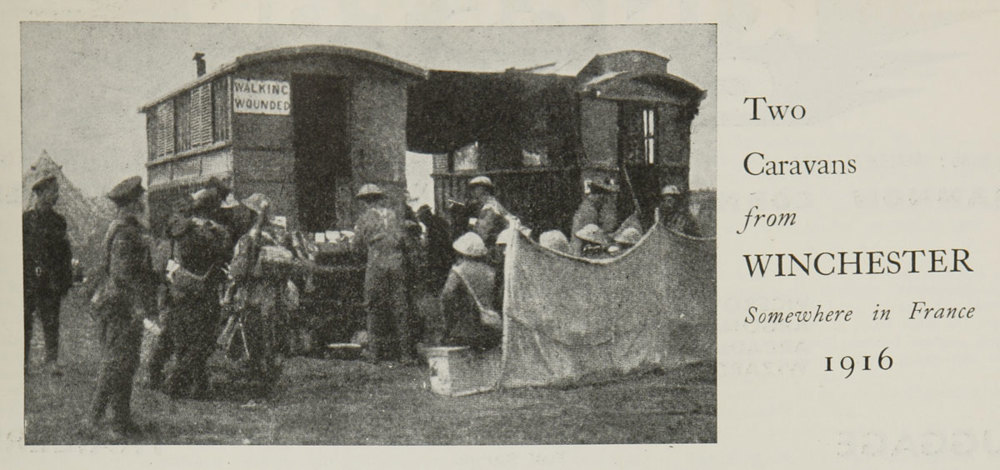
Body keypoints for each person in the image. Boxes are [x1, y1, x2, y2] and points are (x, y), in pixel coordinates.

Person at [88, 176, 159, 436]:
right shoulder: (125, 233)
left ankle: (121, 419)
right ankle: (94, 418)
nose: (143, 202)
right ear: (130, 203)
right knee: (116, 362)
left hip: (125, 304)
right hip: (121, 306)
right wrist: (137, 307)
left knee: (126, 363)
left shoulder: (130, 230)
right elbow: (122, 276)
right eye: (139, 198)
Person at [157, 188, 232, 398]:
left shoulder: (178, 228)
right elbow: (224, 252)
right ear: (213, 209)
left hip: (178, 292)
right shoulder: (207, 233)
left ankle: (198, 385)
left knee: (184, 341)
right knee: (202, 342)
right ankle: (176, 383)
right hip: (201, 293)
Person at [226, 193, 301, 385]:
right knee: (273, 332)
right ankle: (271, 373)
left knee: (253, 335)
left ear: (252, 214)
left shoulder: (248, 239)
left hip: (254, 293)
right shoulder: (277, 237)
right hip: (275, 293)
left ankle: (257, 376)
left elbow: (238, 270)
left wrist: (231, 289)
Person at [351, 184, 415, 364]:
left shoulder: (364, 219)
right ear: (380, 198)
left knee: (373, 307)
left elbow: (356, 247)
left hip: (377, 263)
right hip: (397, 262)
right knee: (400, 308)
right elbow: (405, 241)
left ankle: (374, 353)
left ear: (365, 201)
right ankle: (405, 355)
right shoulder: (395, 216)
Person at [23, 173, 73, 375]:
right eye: (53, 192)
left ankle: (51, 361)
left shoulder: (59, 221)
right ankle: (23, 362)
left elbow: (64, 254)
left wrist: (65, 280)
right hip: (28, 280)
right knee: (24, 321)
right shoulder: (26, 220)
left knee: (51, 321)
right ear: (41, 194)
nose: (57, 196)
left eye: (57, 192)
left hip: (50, 282)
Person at [439, 232, 501, 351]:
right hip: (492, 328)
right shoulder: (491, 272)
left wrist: (448, 326)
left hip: (466, 330)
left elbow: (447, 296)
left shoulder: (458, 271)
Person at [570, 178, 619, 256]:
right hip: (582, 253)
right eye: (608, 195)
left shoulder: (594, 209)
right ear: (601, 195)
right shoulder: (588, 211)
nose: (610, 199)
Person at [417, 205, 453, 293]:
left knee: (439, 270)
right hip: (445, 251)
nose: (422, 221)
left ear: (426, 215)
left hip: (441, 252)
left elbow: (435, 243)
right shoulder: (438, 221)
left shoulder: (433, 225)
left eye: (422, 219)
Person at [467, 176, 508, 247]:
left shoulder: (490, 207)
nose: (473, 191)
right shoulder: (485, 205)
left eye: (476, 188)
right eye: (472, 188)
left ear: (486, 190)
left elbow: (482, 233)